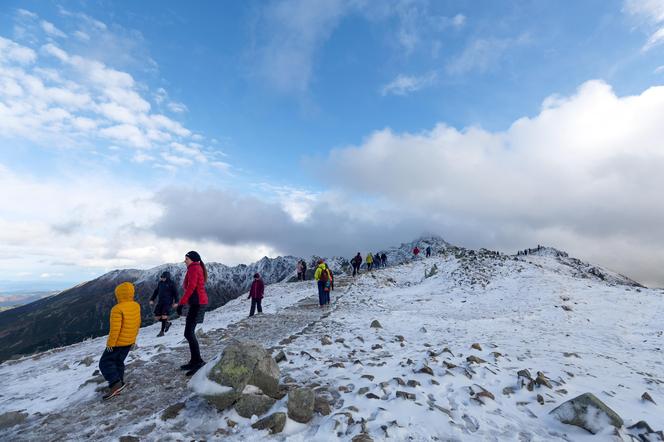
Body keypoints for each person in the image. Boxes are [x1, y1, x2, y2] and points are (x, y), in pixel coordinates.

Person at [99, 282, 141, 400]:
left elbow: (115, 329)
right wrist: (133, 339)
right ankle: (120, 383)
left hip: (118, 342)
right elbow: (137, 324)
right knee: (118, 361)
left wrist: (110, 344)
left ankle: (115, 383)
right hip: (128, 341)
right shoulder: (136, 305)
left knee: (105, 363)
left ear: (119, 294)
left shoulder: (117, 309)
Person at [176, 251, 209, 376]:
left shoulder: (194, 268)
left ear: (193, 259)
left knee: (189, 333)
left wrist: (181, 304)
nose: (185, 261)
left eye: (186, 259)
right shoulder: (194, 268)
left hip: (198, 303)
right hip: (197, 303)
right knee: (188, 333)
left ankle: (198, 362)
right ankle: (195, 360)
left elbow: (191, 287)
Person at [149, 271, 179, 337]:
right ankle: (167, 323)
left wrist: (176, 302)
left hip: (168, 302)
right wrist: (152, 299)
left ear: (167, 277)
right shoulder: (160, 283)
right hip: (160, 302)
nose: (162, 278)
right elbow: (156, 291)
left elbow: (176, 293)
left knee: (164, 316)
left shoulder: (172, 284)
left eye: (163, 277)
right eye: (161, 277)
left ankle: (162, 332)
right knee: (157, 317)